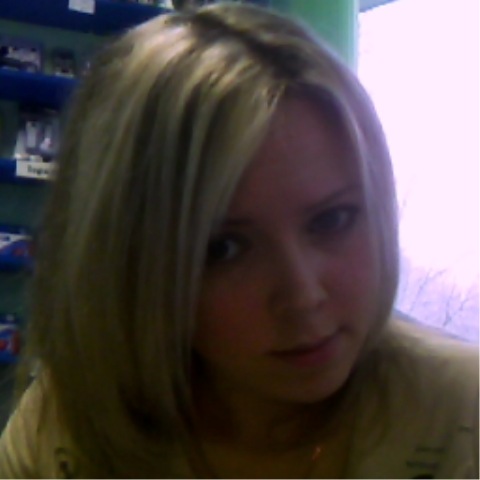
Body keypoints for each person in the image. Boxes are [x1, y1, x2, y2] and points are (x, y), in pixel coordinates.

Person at [0, 2, 477, 478]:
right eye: (223, 249)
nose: (303, 296)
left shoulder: (461, 415)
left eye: (332, 220)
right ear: (132, 262)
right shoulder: (67, 422)